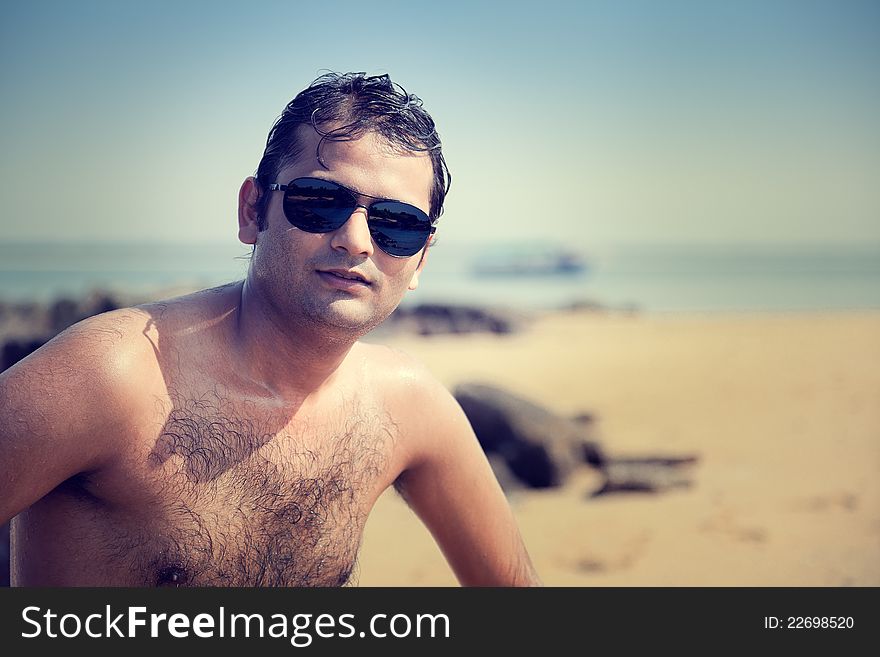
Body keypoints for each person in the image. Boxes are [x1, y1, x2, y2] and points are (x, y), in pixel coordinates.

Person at [0, 72, 541, 587]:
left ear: (421, 260)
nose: (355, 240)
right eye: (320, 201)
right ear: (252, 211)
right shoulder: (111, 378)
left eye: (396, 224)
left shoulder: (407, 406)